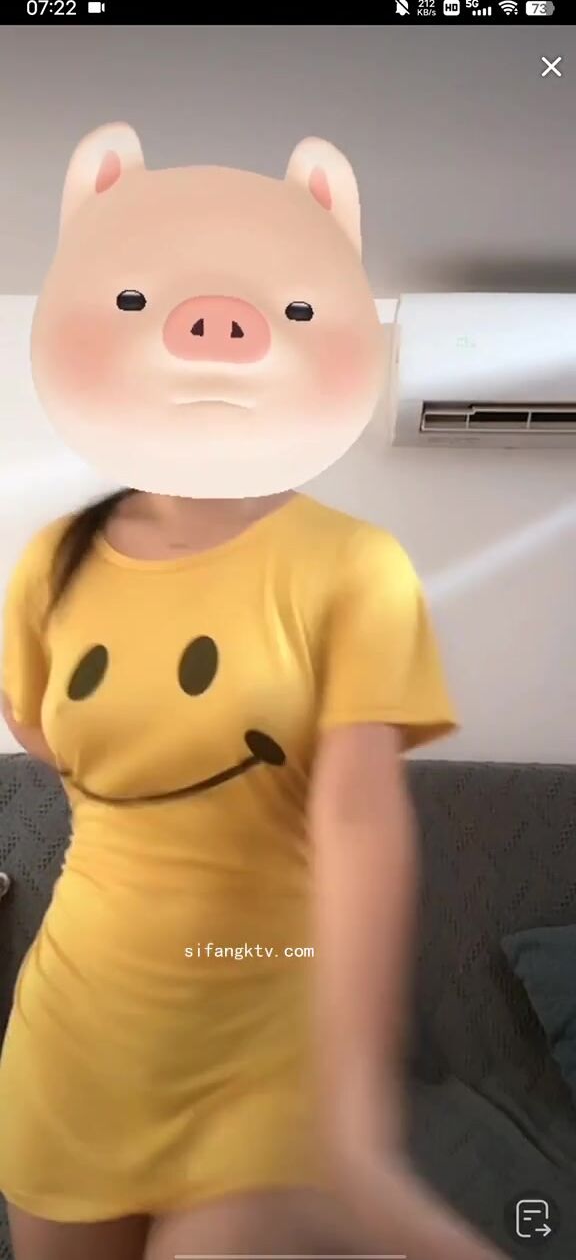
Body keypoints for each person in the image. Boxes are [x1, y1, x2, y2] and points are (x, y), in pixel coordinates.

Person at [0, 124, 509, 1260]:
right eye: (138, 298)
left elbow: (361, 817)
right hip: (74, 1039)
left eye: (288, 307)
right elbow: (38, 726)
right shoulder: (48, 565)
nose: (214, 326)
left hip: (265, 1051)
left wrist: (357, 1112)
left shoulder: (354, 567)